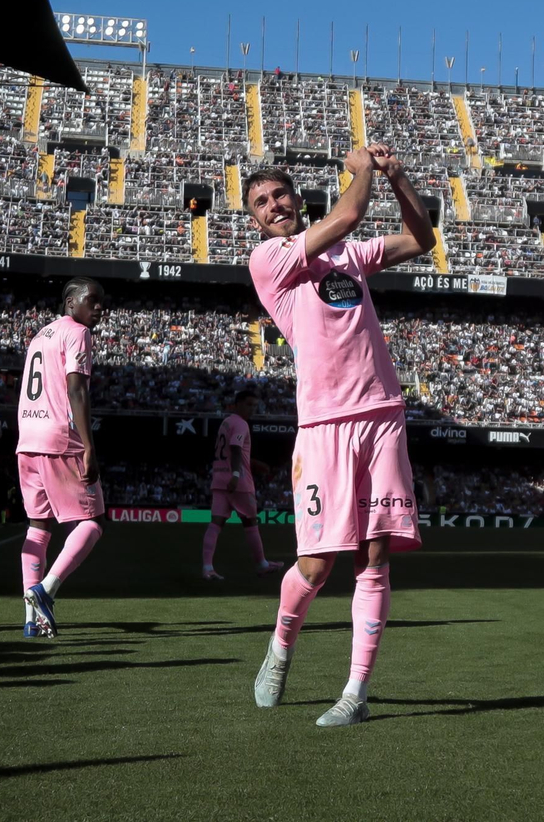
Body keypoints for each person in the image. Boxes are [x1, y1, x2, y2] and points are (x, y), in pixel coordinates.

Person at [245, 144, 434, 727]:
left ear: (299, 200)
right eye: (260, 202)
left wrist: (398, 178)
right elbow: (348, 215)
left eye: (280, 195)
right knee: (317, 563)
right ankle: (281, 647)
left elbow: (421, 240)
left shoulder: (349, 257)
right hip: (324, 426)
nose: (273, 205)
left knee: (374, 557)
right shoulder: (271, 261)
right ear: (253, 218)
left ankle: (356, 692)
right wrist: (361, 171)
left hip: (381, 414)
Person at [17, 278, 109, 639]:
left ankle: (30, 619)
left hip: (27, 439)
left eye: (102, 302)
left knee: (37, 528)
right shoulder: (77, 332)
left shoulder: (40, 335)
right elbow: (76, 388)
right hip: (59, 438)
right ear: (71, 303)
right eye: (93, 301)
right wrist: (88, 447)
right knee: (94, 521)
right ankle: (46, 590)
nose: (100, 308)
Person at [203, 388, 283, 580]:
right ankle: (262, 564)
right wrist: (237, 474)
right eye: (248, 404)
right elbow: (236, 449)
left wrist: (254, 464)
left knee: (216, 522)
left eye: (255, 406)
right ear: (236, 404)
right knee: (251, 521)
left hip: (219, 478)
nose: (252, 409)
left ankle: (207, 568)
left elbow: (233, 452)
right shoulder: (241, 424)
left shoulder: (226, 422)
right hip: (237, 482)